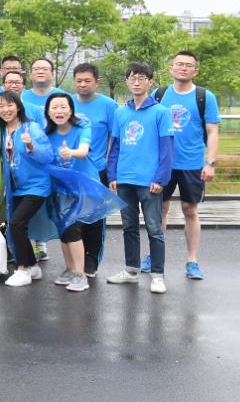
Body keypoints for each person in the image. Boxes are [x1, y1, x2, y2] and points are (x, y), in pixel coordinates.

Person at [107, 62, 175, 294]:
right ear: (126, 81)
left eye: (141, 78)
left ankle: (157, 275)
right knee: (129, 227)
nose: (136, 82)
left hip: (149, 181)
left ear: (150, 82)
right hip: (124, 179)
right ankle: (131, 270)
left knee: (154, 228)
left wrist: (161, 178)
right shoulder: (120, 113)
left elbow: (167, 149)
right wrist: (112, 174)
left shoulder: (161, 112)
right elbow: (115, 146)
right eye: (132, 78)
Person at [154, 50, 220, 280]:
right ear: (171, 68)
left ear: (195, 71)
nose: (183, 68)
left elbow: (213, 131)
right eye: (179, 64)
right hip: (163, 163)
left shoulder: (204, 97)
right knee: (159, 209)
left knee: (190, 210)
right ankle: (155, 256)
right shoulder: (159, 94)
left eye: (188, 65)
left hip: (192, 163)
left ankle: (192, 261)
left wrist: (210, 163)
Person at [0, 90, 53, 288]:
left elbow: (47, 156)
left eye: (9, 105)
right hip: (16, 187)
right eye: (1, 106)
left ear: (18, 106)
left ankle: (22, 269)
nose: (5, 110)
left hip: (36, 186)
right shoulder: (2, 131)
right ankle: (33, 266)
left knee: (16, 224)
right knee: (17, 226)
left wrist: (31, 146)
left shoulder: (30, 127)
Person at [45, 92, 97, 293]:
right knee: (63, 229)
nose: (59, 111)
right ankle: (70, 269)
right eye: (54, 107)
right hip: (59, 188)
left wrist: (71, 152)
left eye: (63, 106)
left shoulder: (82, 127)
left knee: (73, 229)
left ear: (71, 110)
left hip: (82, 187)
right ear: (48, 112)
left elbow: (83, 151)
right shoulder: (47, 134)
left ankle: (80, 274)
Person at [71, 63, 118, 277]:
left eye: (87, 81)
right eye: (79, 81)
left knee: (95, 218)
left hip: (97, 170)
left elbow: (115, 140)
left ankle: (91, 260)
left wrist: (112, 171)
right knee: (73, 218)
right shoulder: (67, 102)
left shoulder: (109, 106)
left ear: (96, 82)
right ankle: (76, 260)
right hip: (72, 171)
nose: (83, 84)